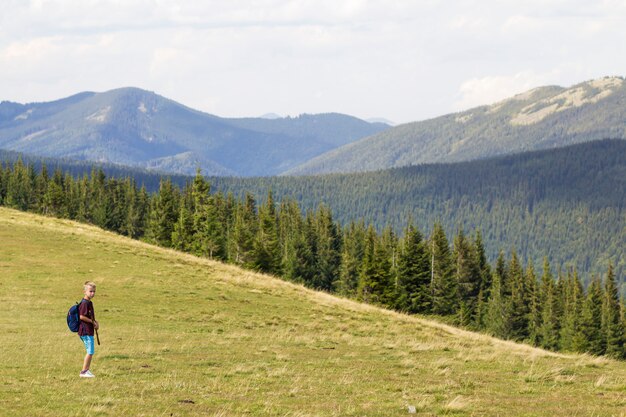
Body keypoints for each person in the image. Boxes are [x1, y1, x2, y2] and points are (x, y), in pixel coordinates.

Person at [78, 281, 99, 378]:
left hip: (88, 330)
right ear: (85, 291)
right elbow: (81, 316)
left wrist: (95, 322)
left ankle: (86, 370)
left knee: (90, 351)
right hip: (85, 331)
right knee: (90, 351)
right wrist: (92, 322)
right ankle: (84, 372)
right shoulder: (84, 303)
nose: (92, 293)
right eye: (90, 291)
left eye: (94, 291)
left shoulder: (89, 302)